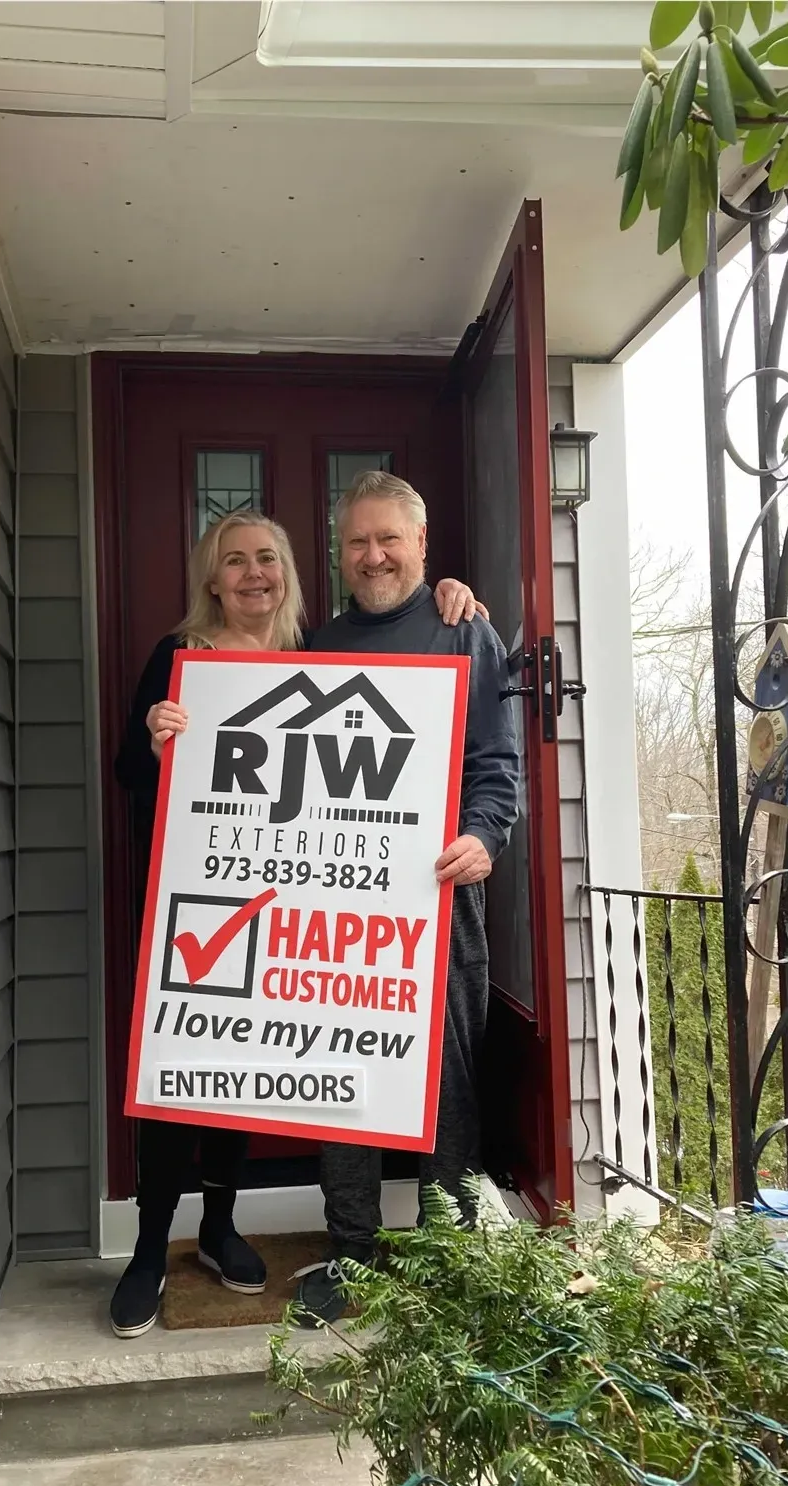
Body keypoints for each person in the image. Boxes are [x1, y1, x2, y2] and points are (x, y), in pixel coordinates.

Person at [110, 507, 489, 1338]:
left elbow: (408, 668)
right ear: (213, 578)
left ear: (288, 572)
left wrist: (451, 594)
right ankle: (147, 1249)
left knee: (249, 1075)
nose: (254, 573)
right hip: (206, 905)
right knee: (185, 1077)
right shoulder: (183, 659)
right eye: (235, 561)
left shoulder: (310, 654)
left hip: (303, 912)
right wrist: (155, 733)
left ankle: (217, 1229)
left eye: (268, 559)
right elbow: (131, 774)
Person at [290, 471, 520, 1325]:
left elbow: (497, 766)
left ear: (423, 546)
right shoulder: (319, 648)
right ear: (340, 551)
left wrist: (484, 837)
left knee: (446, 1084)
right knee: (339, 1073)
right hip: (339, 911)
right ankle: (350, 1254)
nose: (374, 554)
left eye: (391, 539)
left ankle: (447, 1256)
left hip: (440, 898)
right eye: (358, 541)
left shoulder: (467, 634)